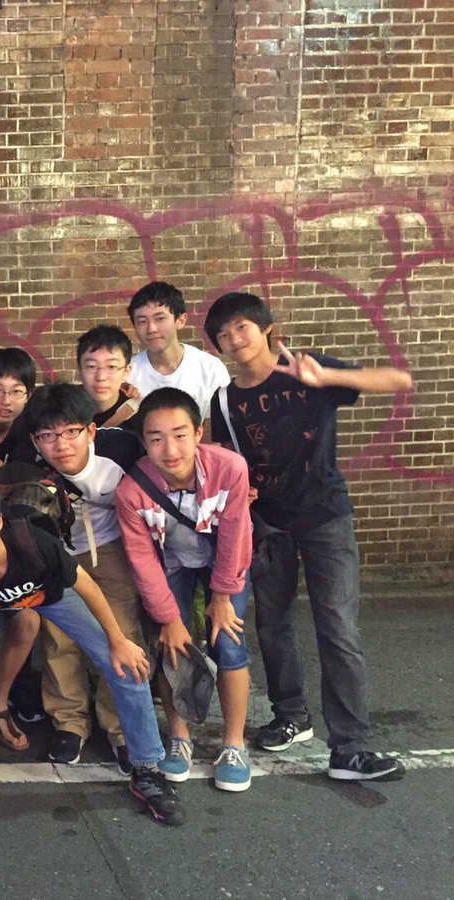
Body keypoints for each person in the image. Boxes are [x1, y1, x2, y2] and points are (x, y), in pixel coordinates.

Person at [204, 291, 410, 781]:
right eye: (224, 335)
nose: (235, 340)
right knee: (272, 624)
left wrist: (328, 378)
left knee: (337, 627)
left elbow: (396, 380)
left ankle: (350, 747)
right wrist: (240, 489)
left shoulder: (307, 370)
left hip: (324, 516)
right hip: (267, 523)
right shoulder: (225, 399)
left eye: (242, 328)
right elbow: (227, 460)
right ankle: (290, 716)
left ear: (266, 328)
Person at [0, 473, 185, 826]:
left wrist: (117, 640)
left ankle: (146, 770)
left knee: (127, 665)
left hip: (50, 597)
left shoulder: (33, 543)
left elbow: (87, 586)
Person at [115, 388, 254, 791]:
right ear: (144, 442)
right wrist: (169, 619)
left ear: (197, 433)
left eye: (179, 435)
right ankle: (179, 738)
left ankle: (234, 744)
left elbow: (236, 536)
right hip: (170, 562)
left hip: (222, 561)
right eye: (156, 438)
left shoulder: (230, 468)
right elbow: (143, 561)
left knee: (228, 642)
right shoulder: (131, 491)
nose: (170, 449)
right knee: (173, 646)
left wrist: (222, 597)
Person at [18, 384, 146, 771]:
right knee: (60, 638)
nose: (61, 444)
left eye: (71, 431)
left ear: (90, 430)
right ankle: (69, 721)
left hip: (112, 547)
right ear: (34, 440)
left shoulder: (122, 449)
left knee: (121, 633)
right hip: (56, 553)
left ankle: (119, 726)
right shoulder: (25, 463)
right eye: (47, 435)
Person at [127, 281, 230, 435]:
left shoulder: (210, 368)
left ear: (181, 320)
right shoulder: (127, 373)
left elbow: (215, 432)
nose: (151, 329)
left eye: (160, 318)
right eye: (142, 321)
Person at [76, 324, 140, 430]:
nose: (101, 377)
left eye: (111, 367)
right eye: (91, 366)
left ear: (126, 371)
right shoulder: (60, 411)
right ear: (79, 370)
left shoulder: (140, 420)